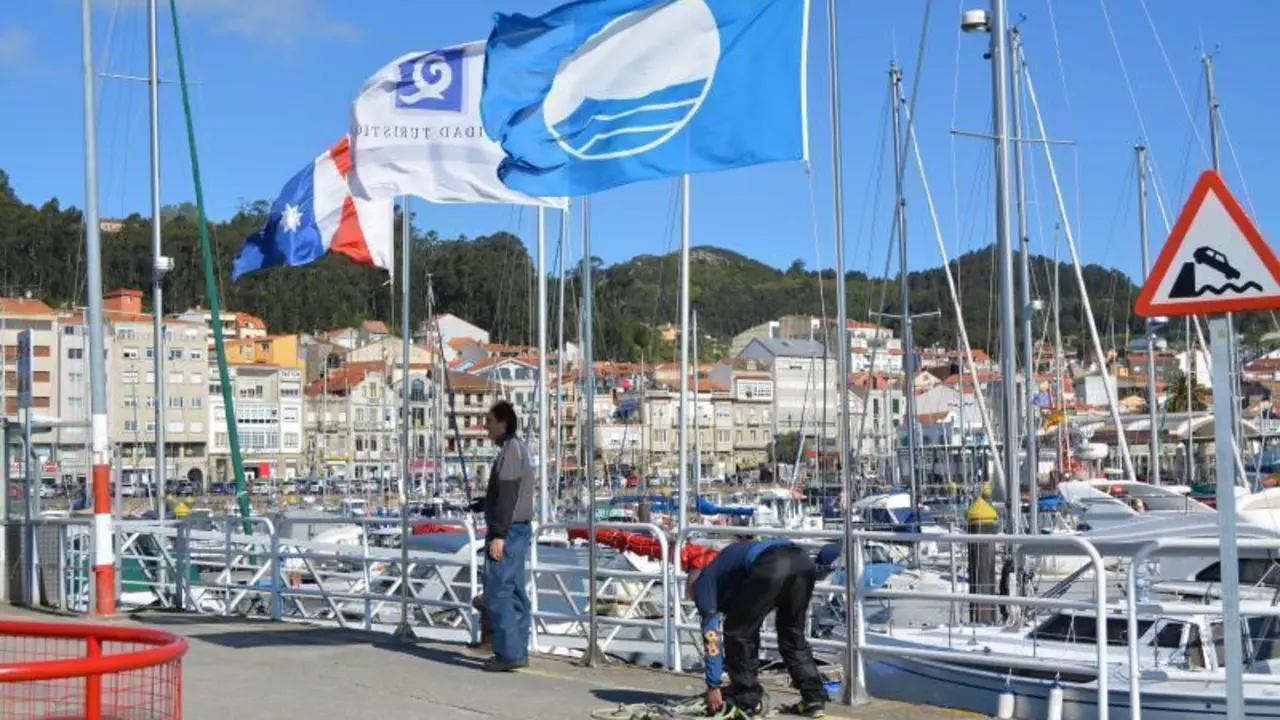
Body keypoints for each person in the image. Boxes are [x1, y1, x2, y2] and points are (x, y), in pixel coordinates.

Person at [687, 538, 828, 718]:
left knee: (737, 632)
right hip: (802, 561)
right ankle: (813, 699)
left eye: (694, 599)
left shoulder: (703, 584)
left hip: (772, 564)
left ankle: (747, 698)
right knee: (792, 632)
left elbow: (711, 638)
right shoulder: (726, 571)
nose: (699, 604)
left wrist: (713, 685)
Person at [467, 400, 536, 672]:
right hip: (519, 528)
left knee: (497, 591)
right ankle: (518, 648)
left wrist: (498, 534)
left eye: (490, 420)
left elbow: (508, 496)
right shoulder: (520, 450)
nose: (486, 426)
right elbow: (513, 494)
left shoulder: (510, 453)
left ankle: (509, 653)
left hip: (508, 531)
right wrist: (485, 503)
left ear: (502, 423)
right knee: (516, 591)